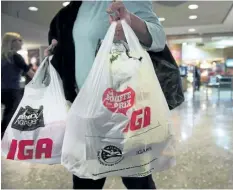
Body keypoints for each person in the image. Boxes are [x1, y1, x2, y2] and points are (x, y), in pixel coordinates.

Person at [46, 1, 166, 189]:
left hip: (126, 108)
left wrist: (132, 23)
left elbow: (158, 39)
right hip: (85, 110)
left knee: (137, 178)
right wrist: (56, 49)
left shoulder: (124, 1)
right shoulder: (70, 10)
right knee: (85, 178)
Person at [1, 32, 35, 139]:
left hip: (3, 91)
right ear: (12, 42)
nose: (22, 42)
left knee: (9, 114)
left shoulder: (3, 57)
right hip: (13, 91)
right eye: (19, 40)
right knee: (12, 115)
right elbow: (30, 73)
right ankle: (5, 140)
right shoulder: (16, 56)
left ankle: (5, 138)